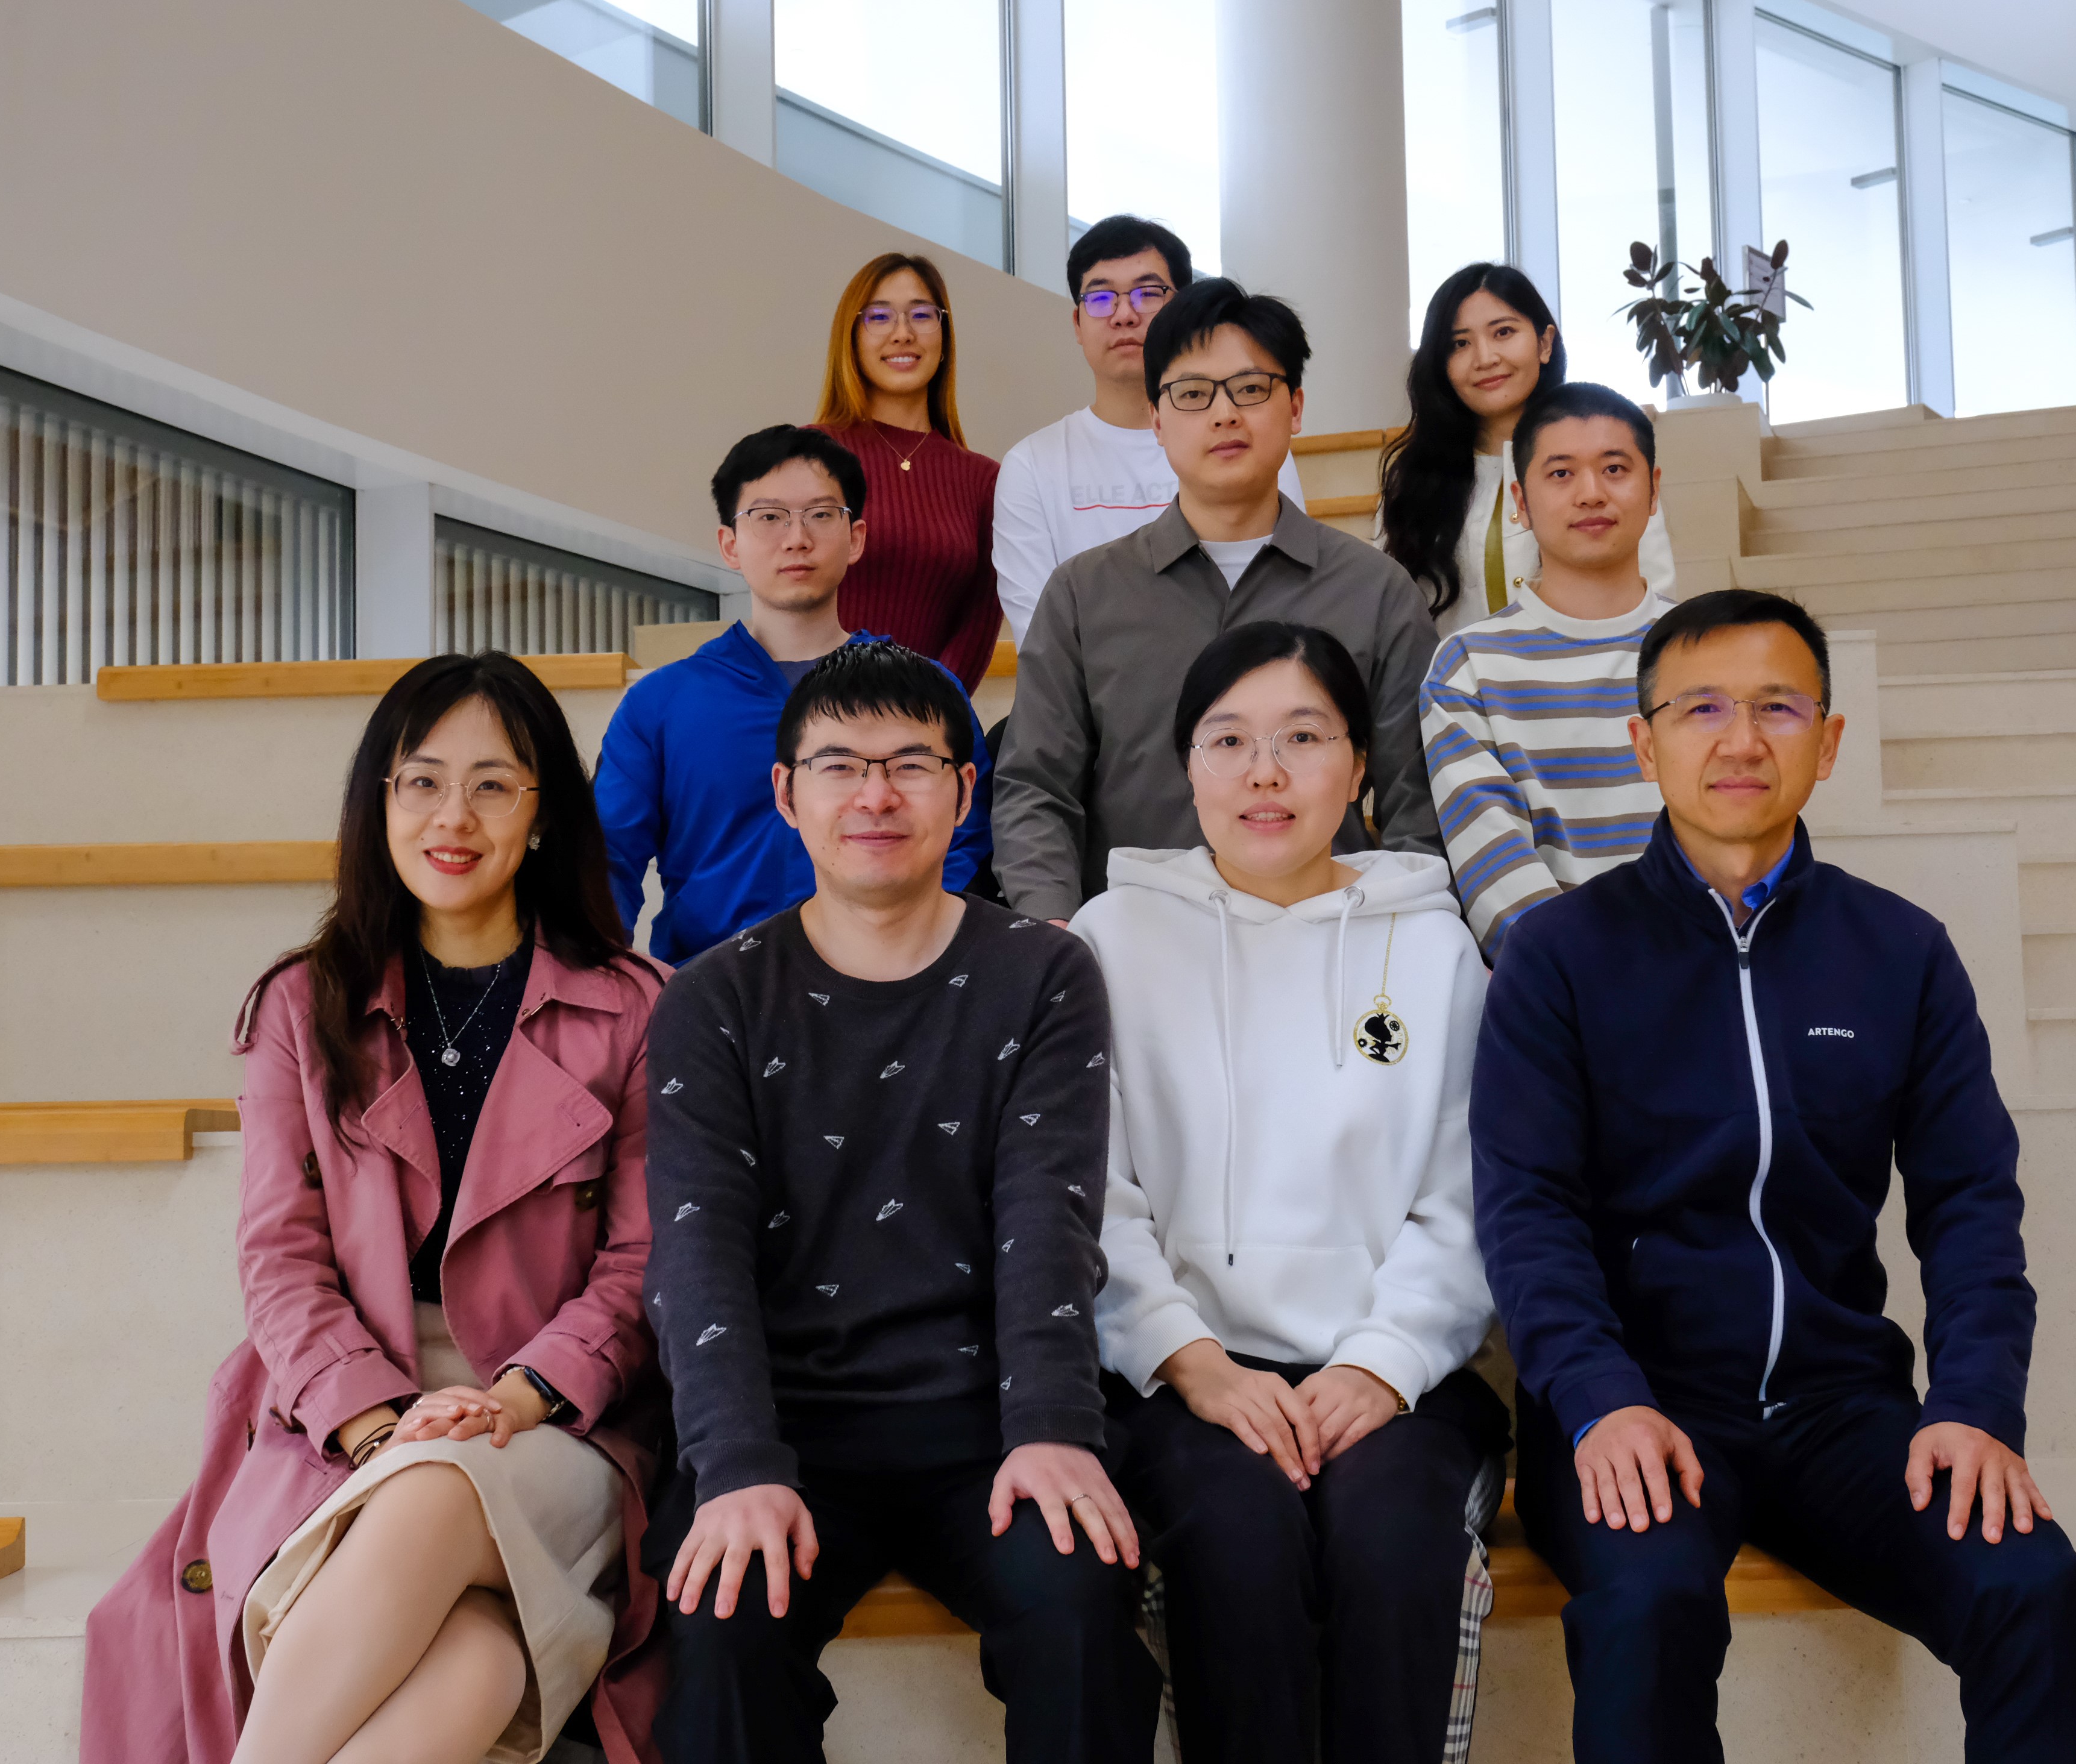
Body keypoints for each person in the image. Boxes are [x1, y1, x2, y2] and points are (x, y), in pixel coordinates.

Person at [1474, 589, 2076, 1763]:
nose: (1740, 739)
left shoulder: (1901, 950)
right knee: (1648, 1609)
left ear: (1828, 741)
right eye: (1701, 708)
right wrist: (1598, 1395)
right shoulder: (1559, 955)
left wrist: (1975, 1403)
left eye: (1777, 708)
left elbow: (1970, 1204)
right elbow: (1528, 1210)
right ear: (1644, 743)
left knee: (2033, 1586)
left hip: (1839, 1406)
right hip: (1639, 1400)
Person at [83, 654, 670, 1764]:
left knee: (439, 1488)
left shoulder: (636, 1010)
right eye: (423, 782)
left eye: (493, 785)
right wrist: (375, 1421)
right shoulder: (303, 1005)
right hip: (348, 1403)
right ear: (380, 802)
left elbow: (643, 1262)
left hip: (558, 1416)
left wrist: (514, 1396)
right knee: (482, 1668)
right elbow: (281, 1261)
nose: (454, 816)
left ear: (544, 812)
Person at [640, 638, 1160, 1763]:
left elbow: (1048, 1218)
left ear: (964, 792)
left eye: (911, 764)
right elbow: (695, 1250)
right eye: (838, 765)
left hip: (987, 1416)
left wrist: (1054, 1429)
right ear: (786, 794)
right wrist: (735, 1464)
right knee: (723, 1627)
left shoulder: (1043, 972)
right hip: (787, 1419)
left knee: (1080, 1606)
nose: (875, 795)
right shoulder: (713, 995)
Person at [1074, 622, 1508, 1764]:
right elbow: (1090, 1190)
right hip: (1181, 1376)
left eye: (1303, 738)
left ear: (1359, 768)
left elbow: (1467, 1196)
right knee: (1236, 1542)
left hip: (1396, 1379)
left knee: (1393, 1545)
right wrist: (1189, 1358)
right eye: (1229, 741)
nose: (1264, 772)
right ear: (1189, 768)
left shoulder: (1434, 947)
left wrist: (1381, 1361)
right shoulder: (1109, 939)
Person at [995, 277, 1442, 925]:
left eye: (1251, 389)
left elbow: (1417, 801)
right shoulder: (1082, 595)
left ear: (1295, 407)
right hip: (1133, 945)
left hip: (1329, 940)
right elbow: (1036, 789)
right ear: (1156, 419)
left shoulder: (1377, 592)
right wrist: (1056, 935)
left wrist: (1401, 934)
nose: (1225, 413)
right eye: (1192, 393)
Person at [595, 423, 992, 964]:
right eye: (769, 517)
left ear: (856, 538)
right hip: (710, 991)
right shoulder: (660, 705)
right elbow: (606, 862)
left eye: (821, 515)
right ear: (729, 545)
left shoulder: (926, 691)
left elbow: (969, 839)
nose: (796, 538)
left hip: (894, 985)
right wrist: (607, 988)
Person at [1421, 380, 1679, 959]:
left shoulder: (1705, 649)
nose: (1591, 494)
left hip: (1704, 968)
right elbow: (1495, 873)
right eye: (1561, 473)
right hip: (1558, 987)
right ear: (1521, 499)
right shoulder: (1468, 667)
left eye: (1615, 469)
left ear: (1653, 490)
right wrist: (1586, 981)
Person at [990, 214, 1306, 648]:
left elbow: (1287, 595)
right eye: (1101, 297)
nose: (1124, 314)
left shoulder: (1242, 442)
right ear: (1078, 323)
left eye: (1148, 293)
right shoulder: (1030, 466)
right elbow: (1044, 642)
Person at [1377, 262, 1675, 633]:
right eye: (1460, 344)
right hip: (1454, 672)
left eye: (1503, 332)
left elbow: (1654, 600)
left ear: (1545, 343)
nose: (1485, 358)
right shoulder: (1414, 481)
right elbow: (1390, 618)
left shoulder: (1606, 461)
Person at [811, 251, 1002, 695]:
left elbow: (979, 621)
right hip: (814, 714)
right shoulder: (808, 455)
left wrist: (922, 715)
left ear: (944, 336)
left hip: (931, 721)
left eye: (921, 315)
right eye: (879, 317)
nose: (903, 333)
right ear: (852, 337)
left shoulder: (984, 481)